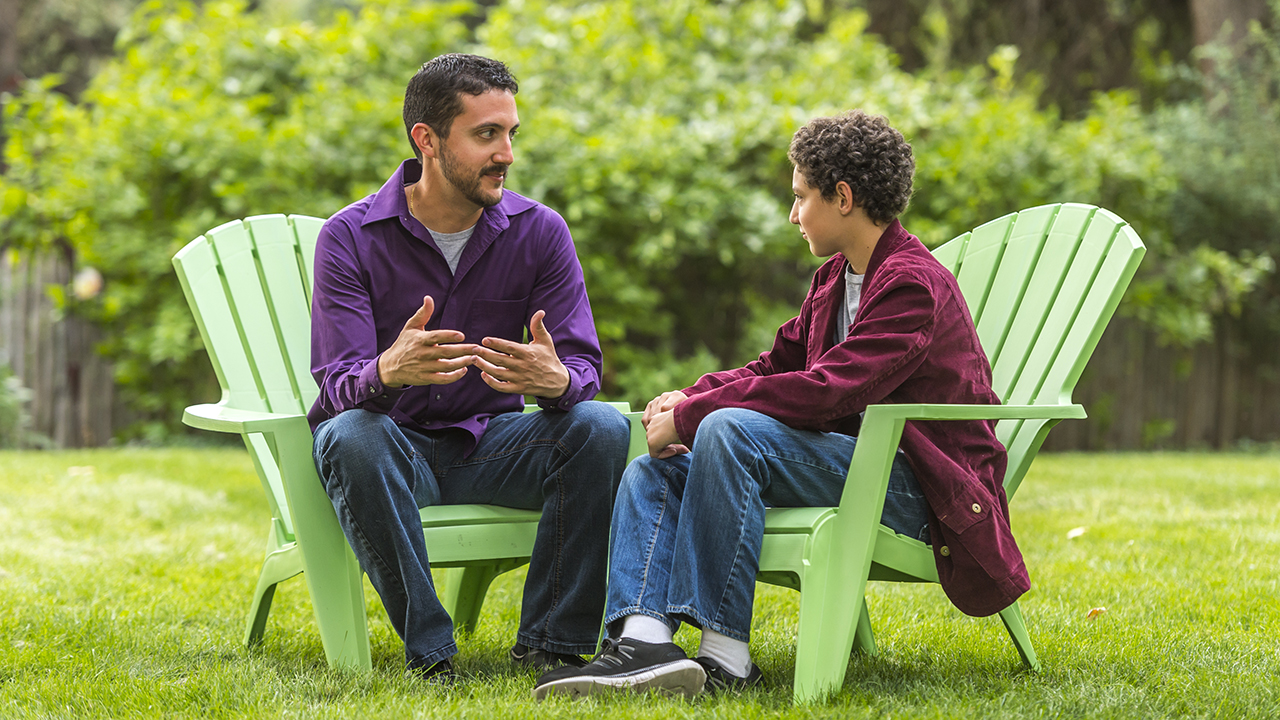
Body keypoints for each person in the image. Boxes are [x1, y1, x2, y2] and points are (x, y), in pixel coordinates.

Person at [533, 110, 1028, 699]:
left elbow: (829, 390)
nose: (793, 214)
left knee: (729, 429)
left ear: (842, 197)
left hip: (921, 488)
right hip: (855, 465)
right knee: (653, 471)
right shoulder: (836, 280)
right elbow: (776, 366)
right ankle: (644, 645)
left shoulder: (910, 285)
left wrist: (695, 416)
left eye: (800, 198)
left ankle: (726, 658)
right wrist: (693, 394)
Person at [308, 53, 631, 683]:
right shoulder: (349, 238)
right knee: (348, 436)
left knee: (601, 427)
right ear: (427, 141)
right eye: (486, 134)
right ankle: (432, 653)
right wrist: (387, 370)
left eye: (511, 133)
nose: (506, 152)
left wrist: (558, 380)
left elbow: (583, 365)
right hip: (389, 447)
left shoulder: (540, 232)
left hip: (492, 447)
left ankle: (554, 644)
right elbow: (337, 384)